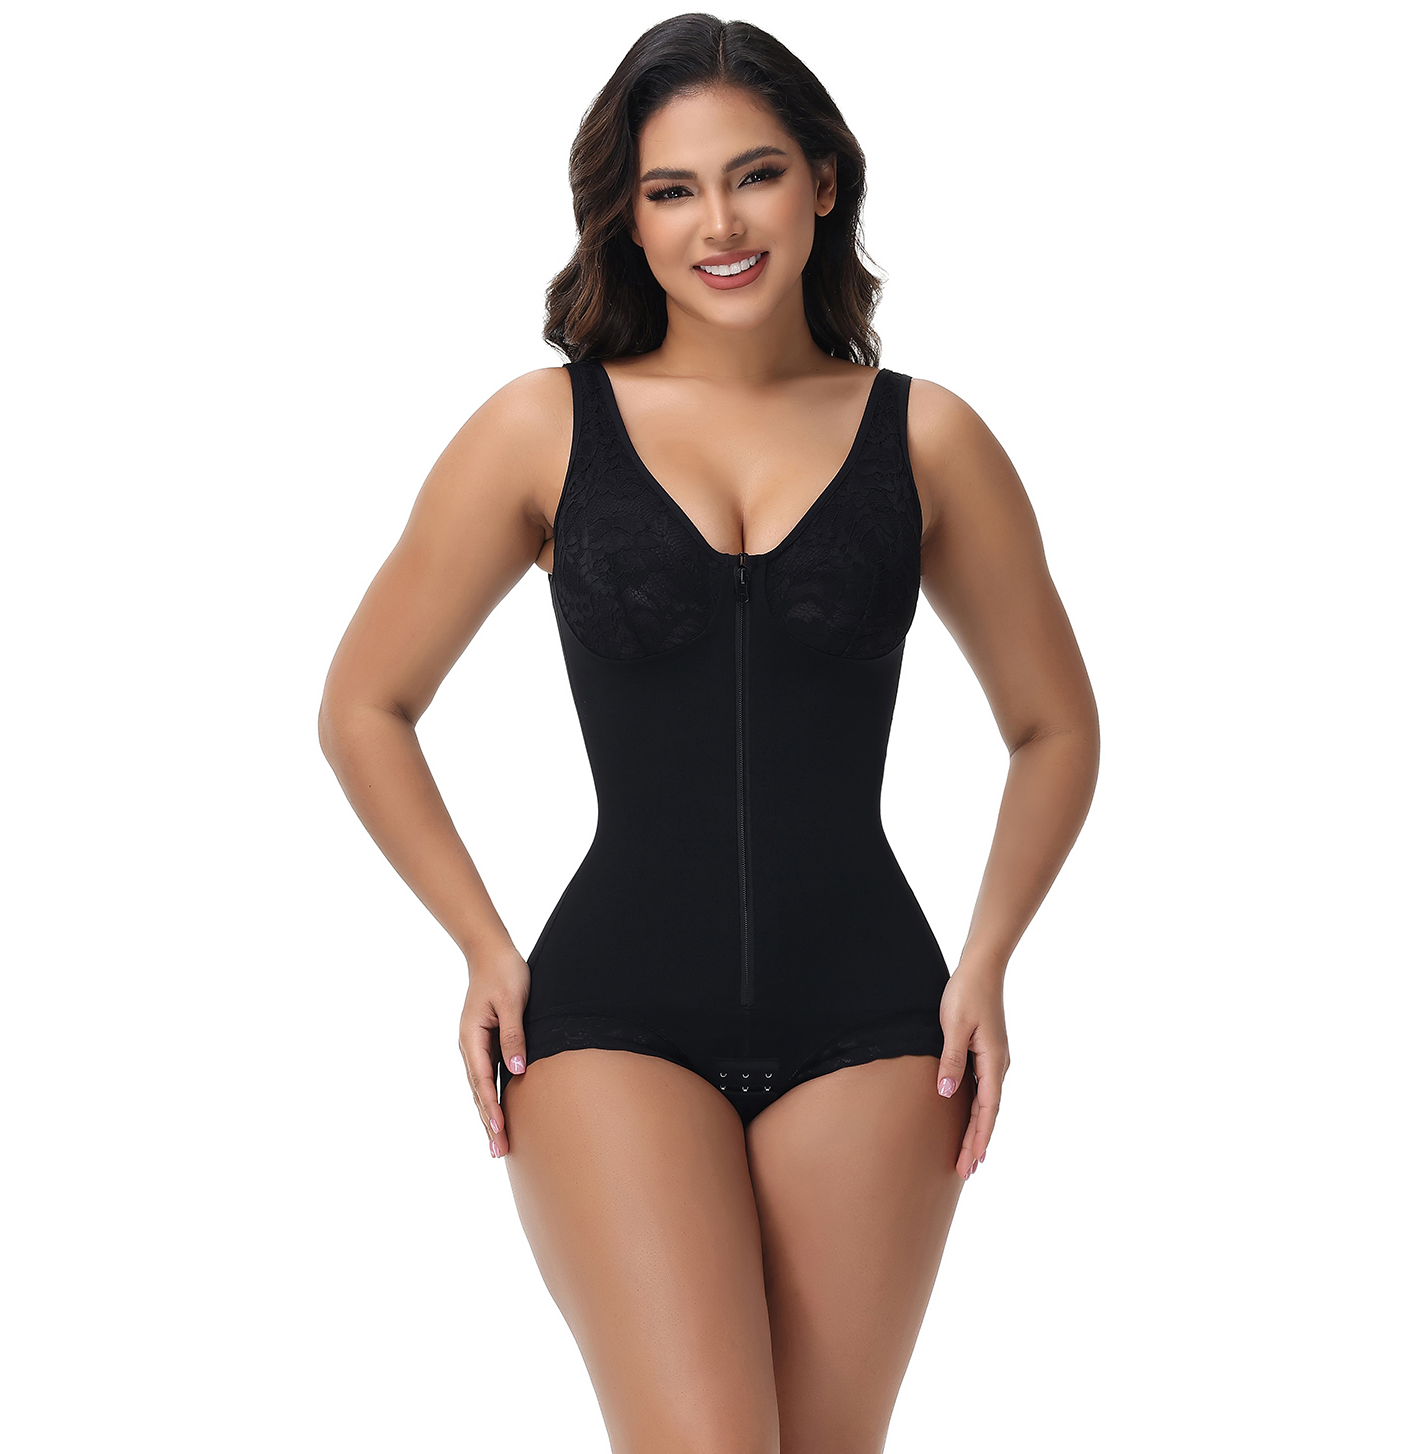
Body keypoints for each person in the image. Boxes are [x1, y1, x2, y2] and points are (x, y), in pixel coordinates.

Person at [319, 14, 1099, 1451]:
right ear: (626, 215)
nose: (719, 225)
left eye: (754, 175)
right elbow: (365, 704)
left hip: (878, 1025)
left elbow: (1052, 724)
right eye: (671, 189)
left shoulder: (928, 438)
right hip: (609, 1017)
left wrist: (988, 960)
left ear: (823, 181)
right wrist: (483, 945)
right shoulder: (540, 429)